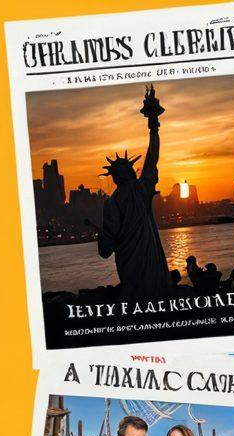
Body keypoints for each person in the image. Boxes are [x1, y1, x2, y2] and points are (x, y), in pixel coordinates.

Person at [97, 85, 173, 301]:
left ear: (114, 177)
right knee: (156, 298)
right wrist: (154, 128)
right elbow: (153, 157)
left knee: (135, 299)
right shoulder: (141, 188)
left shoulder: (112, 202)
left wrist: (100, 236)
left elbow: (106, 248)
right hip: (150, 257)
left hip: (128, 263)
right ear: (130, 172)